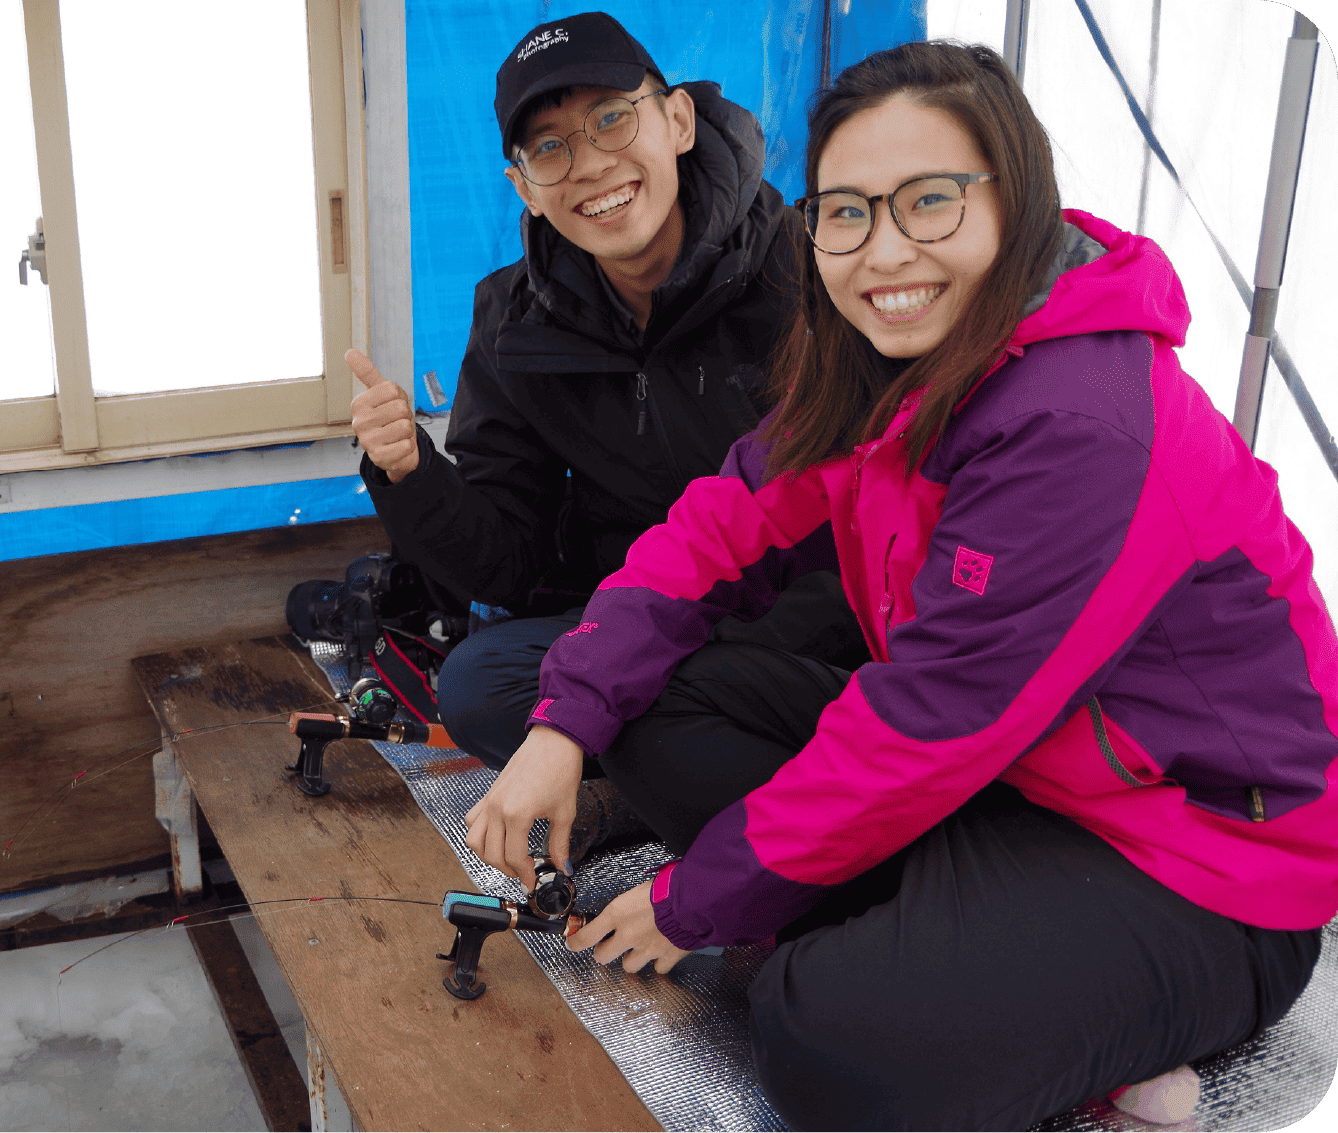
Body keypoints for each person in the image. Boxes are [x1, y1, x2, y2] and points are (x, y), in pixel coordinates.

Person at [466, 39, 1335, 1132]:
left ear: (1014, 199)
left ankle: (1106, 1023)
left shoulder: (1080, 421)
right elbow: (713, 528)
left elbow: (929, 721)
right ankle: (976, 972)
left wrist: (697, 902)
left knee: (825, 1035)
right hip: (1014, 786)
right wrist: (564, 723)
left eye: (927, 201)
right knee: (649, 707)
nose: (884, 250)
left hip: (1197, 858)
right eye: (846, 211)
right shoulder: (880, 364)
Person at [347, 12, 868, 819]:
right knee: (479, 685)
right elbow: (507, 561)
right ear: (522, 184)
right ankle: (672, 771)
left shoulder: (807, 267)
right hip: (640, 619)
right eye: (549, 146)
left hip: (820, 625)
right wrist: (409, 474)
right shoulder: (513, 320)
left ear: (678, 121)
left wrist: (724, 651)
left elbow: (886, 496)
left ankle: (647, 789)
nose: (589, 164)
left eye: (610, 118)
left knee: (688, 699)